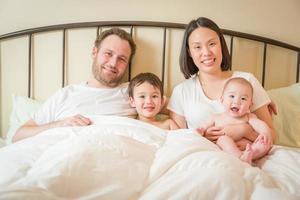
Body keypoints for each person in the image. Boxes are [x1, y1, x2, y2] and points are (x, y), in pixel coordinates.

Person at [167, 17, 275, 159]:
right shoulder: (181, 91)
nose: (206, 52)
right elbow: (179, 141)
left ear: (221, 45)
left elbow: (271, 135)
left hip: (252, 153)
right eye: (197, 47)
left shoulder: (247, 81)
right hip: (205, 158)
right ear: (189, 52)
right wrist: (205, 137)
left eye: (212, 44)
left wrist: (245, 132)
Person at [13, 27, 137, 142]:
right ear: (94, 52)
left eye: (122, 59)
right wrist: (58, 125)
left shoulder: (136, 93)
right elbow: (18, 136)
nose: (113, 63)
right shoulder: (66, 94)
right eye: (108, 53)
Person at [197, 77, 272, 164]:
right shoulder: (216, 117)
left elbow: (261, 125)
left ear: (250, 104)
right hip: (229, 150)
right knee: (222, 139)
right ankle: (240, 157)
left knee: (264, 143)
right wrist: (200, 130)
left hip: (249, 148)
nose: (236, 102)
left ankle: (250, 155)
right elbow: (203, 126)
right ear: (222, 99)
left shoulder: (249, 117)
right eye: (232, 96)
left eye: (243, 99)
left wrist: (265, 133)